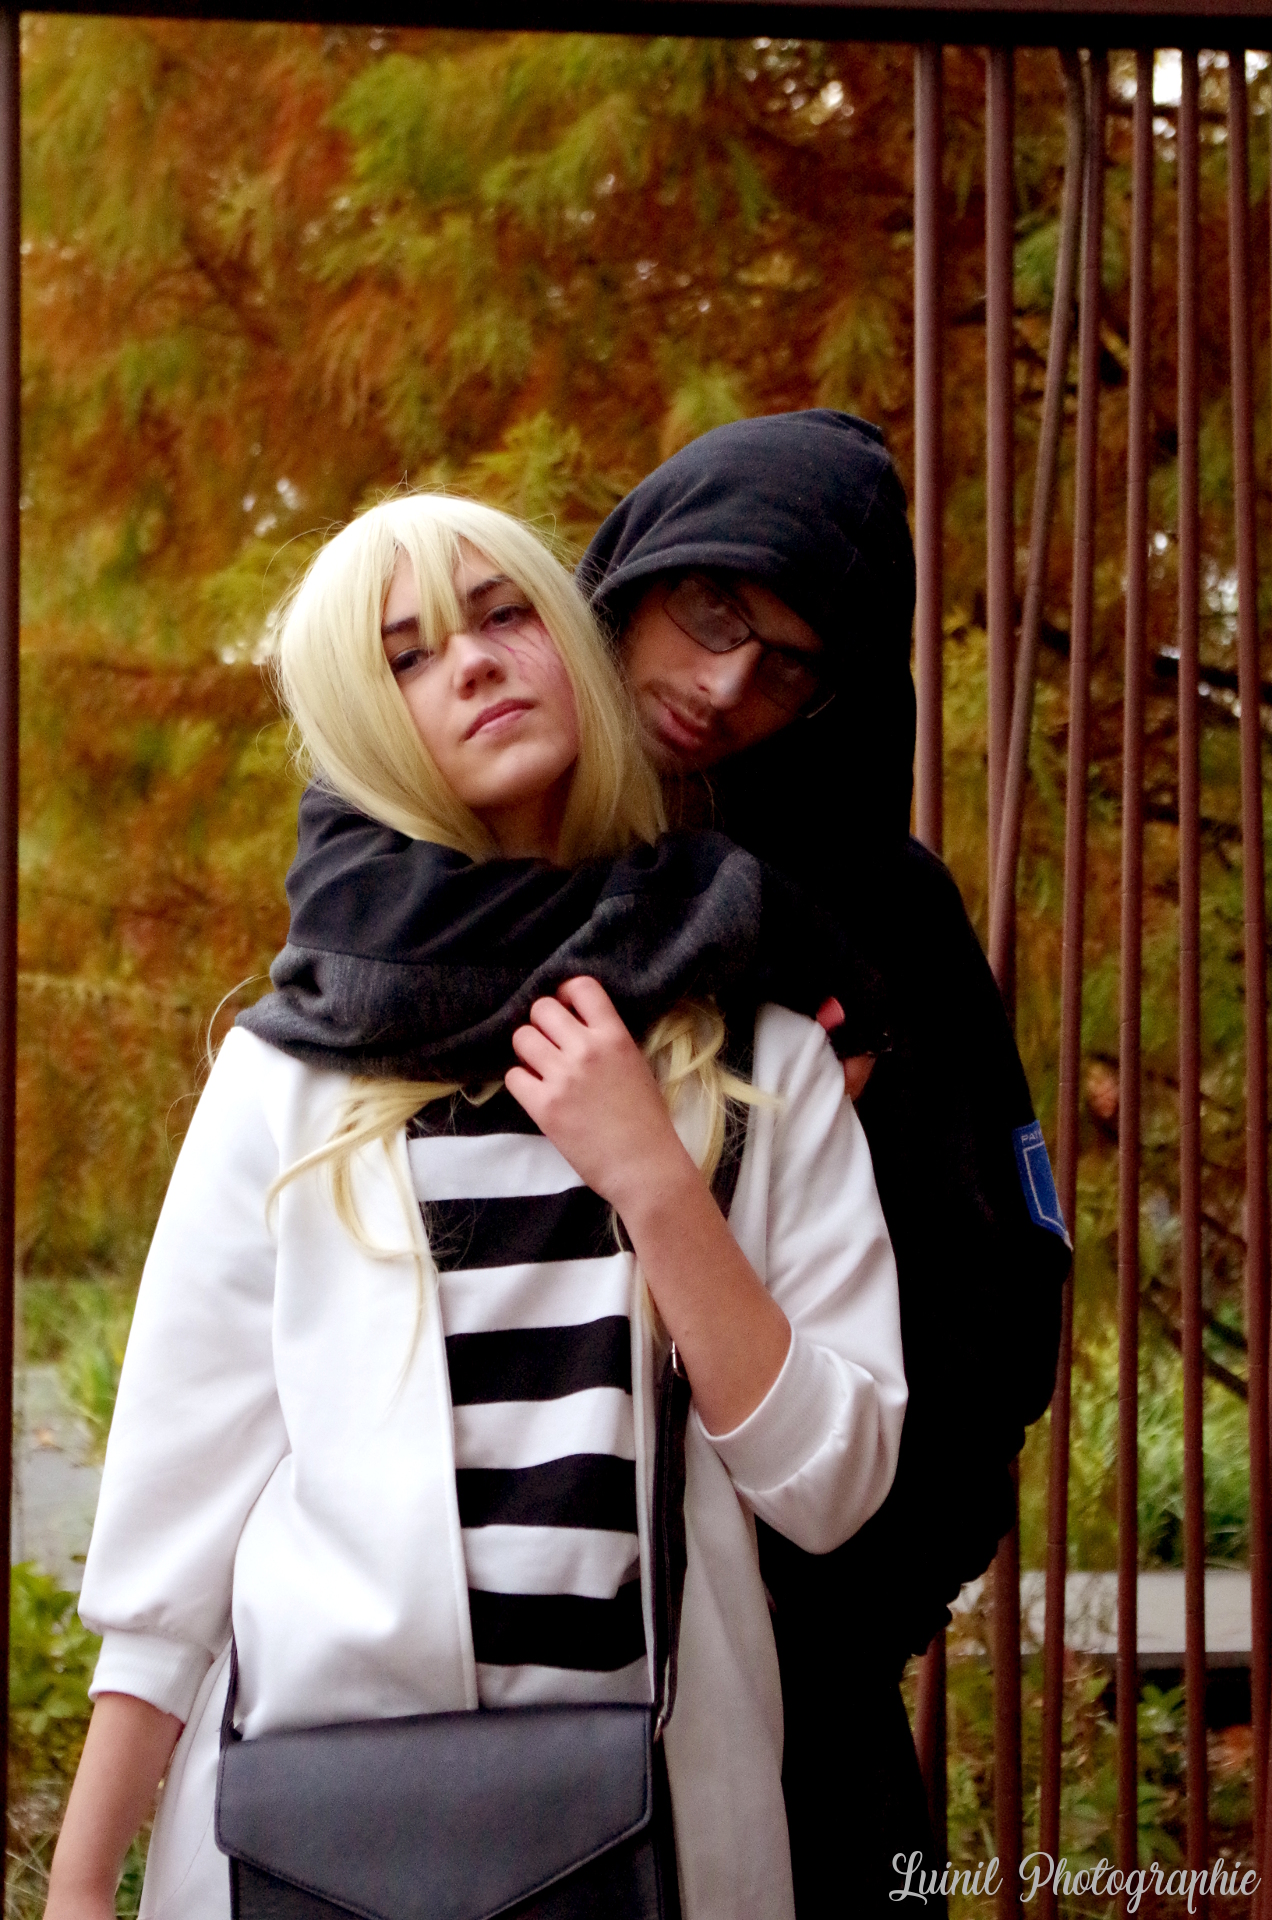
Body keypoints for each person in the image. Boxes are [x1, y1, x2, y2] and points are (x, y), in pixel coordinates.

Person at [246, 411, 1071, 1915]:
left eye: (791, 667)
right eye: (711, 610)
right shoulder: (415, 867)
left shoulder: (882, 922)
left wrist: (862, 1602)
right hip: (463, 1698)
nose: (727, 686)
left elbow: (996, 1289)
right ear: (628, 577)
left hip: (803, 1652)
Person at [45, 493, 908, 1920]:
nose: (477, 661)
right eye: (407, 654)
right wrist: (80, 1886)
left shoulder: (756, 1045)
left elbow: (832, 1486)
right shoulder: (293, 1070)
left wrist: (654, 1180)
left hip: (656, 1840)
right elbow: (174, 1519)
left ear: (570, 636)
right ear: (363, 721)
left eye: (507, 614)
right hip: (303, 1844)